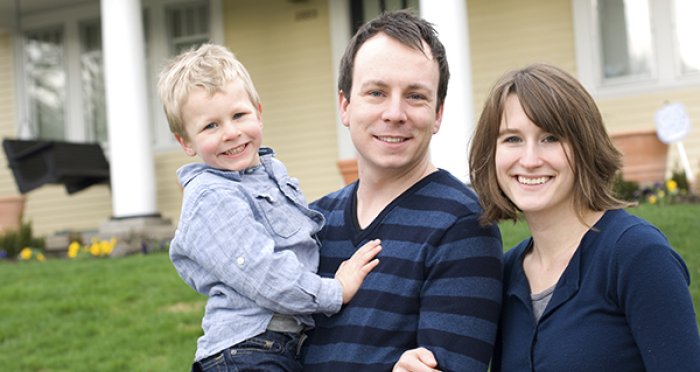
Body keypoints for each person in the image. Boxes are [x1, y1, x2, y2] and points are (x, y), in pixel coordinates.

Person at [403, 62, 700, 370]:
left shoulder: (637, 256)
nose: (530, 160)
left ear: (584, 146)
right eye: (512, 139)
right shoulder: (506, 275)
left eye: (551, 138)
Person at [157, 43, 383, 372]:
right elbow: (264, 273)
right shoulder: (212, 197)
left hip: (276, 346)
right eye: (210, 126)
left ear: (258, 113)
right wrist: (335, 291)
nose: (231, 133)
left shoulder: (268, 174)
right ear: (185, 142)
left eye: (238, 115)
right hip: (247, 352)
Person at [300, 10, 504, 372]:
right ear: (345, 105)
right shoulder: (311, 225)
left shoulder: (462, 225)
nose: (395, 113)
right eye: (377, 92)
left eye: (415, 96)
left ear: (438, 114)